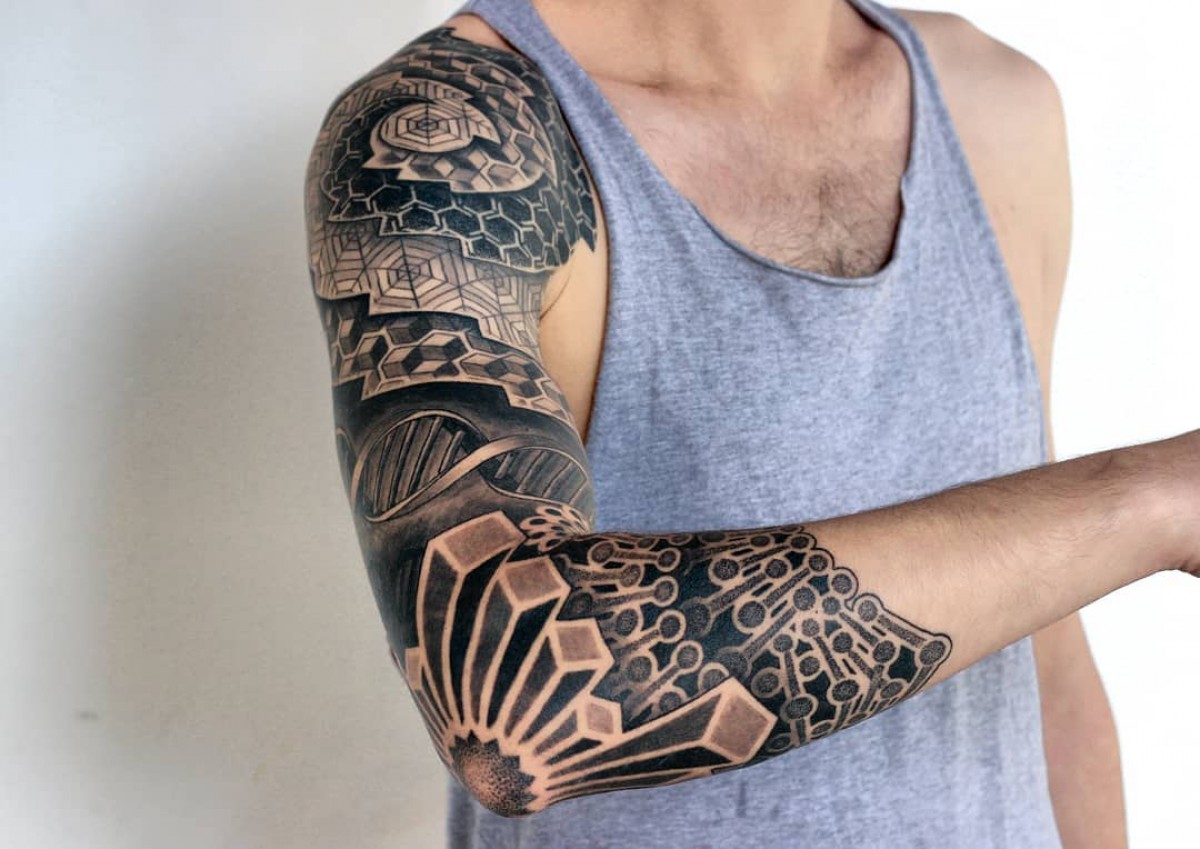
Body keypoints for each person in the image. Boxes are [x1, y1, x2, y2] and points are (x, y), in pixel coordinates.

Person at [302, 0, 1197, 846]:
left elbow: (1043, 634)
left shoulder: (995, 102)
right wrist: (1152, 500)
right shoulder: (452, 138)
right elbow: (510, 699)